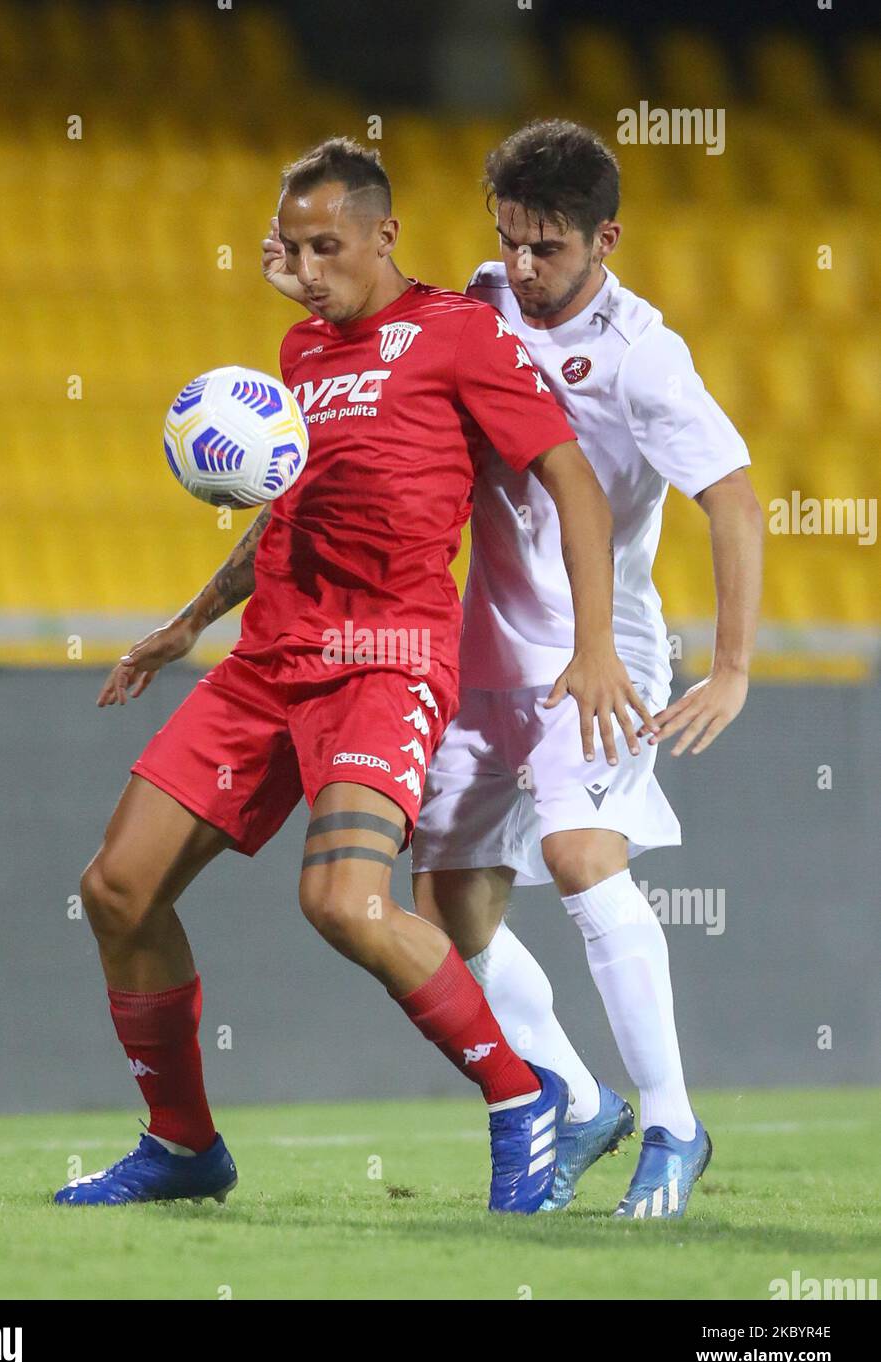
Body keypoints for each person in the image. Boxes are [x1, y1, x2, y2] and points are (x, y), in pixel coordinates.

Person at [55, 137, 650, 1213]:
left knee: (341, 899)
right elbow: (290, 504)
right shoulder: (299, 353)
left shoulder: (457, 335)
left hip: (384, 663)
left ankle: (526, 1102)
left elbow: (574, 481)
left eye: (330, 243)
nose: (309, 264)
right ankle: (184, 1144)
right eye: (292, 246)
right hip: (269, 658)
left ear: (387, 234)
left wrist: (593, 644)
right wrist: (190, 619)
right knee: (116, 889)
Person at [264, 119, 763, 1219]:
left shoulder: (644, 354)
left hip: (599, 653)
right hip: (474, 650)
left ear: (605, 237)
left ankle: (674, 1121)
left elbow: (729, 496)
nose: (525, 269)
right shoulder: (479, 303)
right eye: (511, 243)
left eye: (548, 249)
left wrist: (728, 669)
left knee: (582, 856)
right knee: (450, 908)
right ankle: (580, 1098)